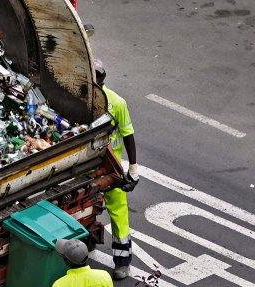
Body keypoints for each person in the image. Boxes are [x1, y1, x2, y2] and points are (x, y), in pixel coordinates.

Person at [94, 58, 140, 280]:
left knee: (119, 214)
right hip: (86, 167)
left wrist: (133, 167)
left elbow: (128, 134)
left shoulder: (117, 103)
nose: (95, 78)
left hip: (110, 168)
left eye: (98, 75)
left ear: (103, 77)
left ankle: (122, 262)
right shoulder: (80, 99)